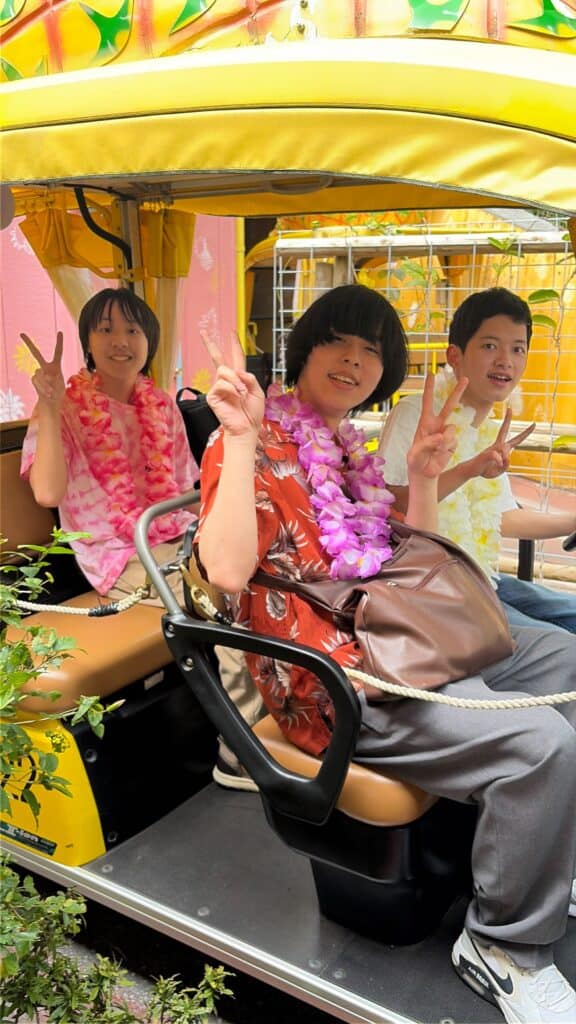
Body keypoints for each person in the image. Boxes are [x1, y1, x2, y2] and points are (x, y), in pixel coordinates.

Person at [197, 284, 576, 1024]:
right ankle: (503, 946)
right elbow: (228, 571)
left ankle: (543, 852)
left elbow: (404, 556)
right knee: (542, 743)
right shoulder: (248, 440)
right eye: (338, 340)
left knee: (565, 657)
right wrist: (238, 438)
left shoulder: (347, 448)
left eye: (371, 349)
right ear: (304, 348)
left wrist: (427, 478)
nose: (353, 359)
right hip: (336, 678)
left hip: (397, 637)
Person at [378, 287, 576, 633]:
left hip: (479, 577)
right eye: (489, 346)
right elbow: (392, 506)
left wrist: (572, 520)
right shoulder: (417, 414)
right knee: (561, 643)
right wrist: (468, 470)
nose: (505, 360)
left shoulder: (486, 427)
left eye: (518, 349)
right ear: (455, 356)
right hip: (430, 591)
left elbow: (504, 517)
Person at [20, 287, 199, 605]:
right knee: (212, 593)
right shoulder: (65, 408)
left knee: (249, 568)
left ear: (149, 342)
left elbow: (185, 492)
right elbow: (47, 493)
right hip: (117, 554)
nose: (120, 341)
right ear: (88, 343)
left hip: (176, 534)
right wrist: (49, 404)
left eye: (132, 330)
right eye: (105, 330)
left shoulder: (162, 405)